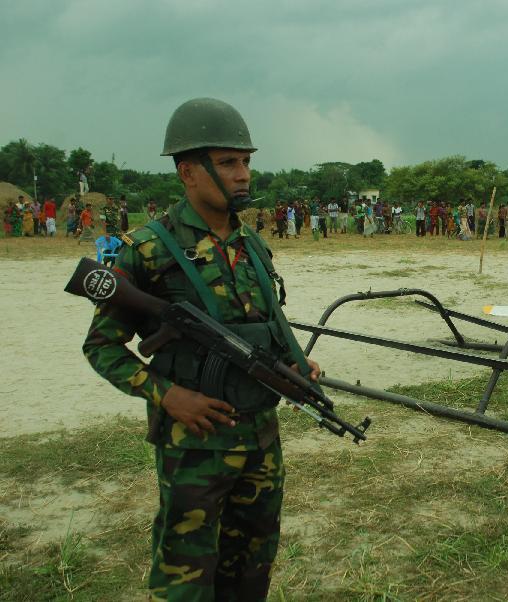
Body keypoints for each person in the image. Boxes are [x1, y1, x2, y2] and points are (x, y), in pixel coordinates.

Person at [81, 98, 322, 600]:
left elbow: (261, 324)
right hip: (194, 447)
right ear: (188, 171)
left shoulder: (251, 243)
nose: (243, 174)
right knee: (184, 576)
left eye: (247, 161)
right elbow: (102, 347)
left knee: (252, 568)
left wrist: (295, 364)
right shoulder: (147, 248)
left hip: (259, 436)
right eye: (229, 162)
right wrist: (166, 395)